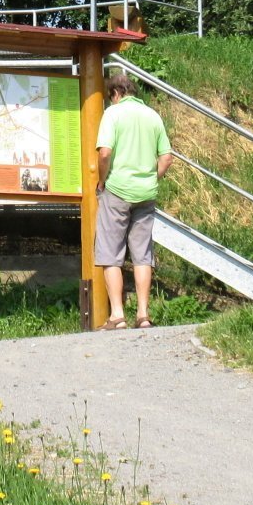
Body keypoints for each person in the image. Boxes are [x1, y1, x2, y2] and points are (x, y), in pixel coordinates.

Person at [94, 68, 172, 329]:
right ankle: (143, 314)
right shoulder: (153, 116)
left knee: (111, 253)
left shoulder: (113, 113)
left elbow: (105, 153)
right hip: (146, 193)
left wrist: (103, 180)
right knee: (142, 255)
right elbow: (166, 157)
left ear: (115, 93)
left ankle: (117, 315)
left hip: (117, 190)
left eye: (110, 96)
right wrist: (152, 177)